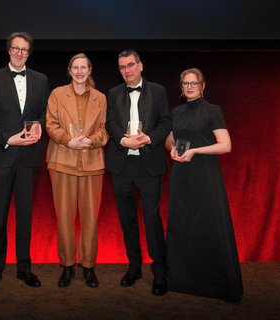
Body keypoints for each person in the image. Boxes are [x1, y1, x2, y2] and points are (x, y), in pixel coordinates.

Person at [165, 68, 243, 302]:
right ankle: (183, 280)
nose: (189, 87)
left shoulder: (212, 110)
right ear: (181, 87)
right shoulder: (177, 111)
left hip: (205, 174)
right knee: (183, 225)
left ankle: (216, 285)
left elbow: (225, 145)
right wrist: (173, 149)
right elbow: (170, 138)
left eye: (193, 83)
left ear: (202, 85)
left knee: (208, 225)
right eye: (185, 84)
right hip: (181, 174)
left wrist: (194, 151)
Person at [0, 32, 49, 290]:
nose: (20, 53)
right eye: (16, 49)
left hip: (29, 157)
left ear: (29, 53)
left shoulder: (41, 79)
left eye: (25, 50)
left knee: (25, 215)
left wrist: (39, 127)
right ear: (8, 50)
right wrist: (9, 139)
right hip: (2, 154)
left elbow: (43, 112)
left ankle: (24, 268)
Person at [105, 50, 171, 295]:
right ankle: (134, 266)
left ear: (140, 65)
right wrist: (123, 141)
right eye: (122, 67)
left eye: (131, 65)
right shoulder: (113, 93)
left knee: (152, 218)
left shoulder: (159, 90)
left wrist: (148, 138)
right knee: (127, 219)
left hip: (148, 164)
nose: (127, 70)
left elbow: (166, 122)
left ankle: (160, 270)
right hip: (121, 164)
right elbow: (110, 123)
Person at [46, 53, 109, 288]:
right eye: (75, 67)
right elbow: (50, 124)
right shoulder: (56, 94)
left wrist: (91, 141)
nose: (80, 71)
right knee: (64, 216)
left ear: (90, 70)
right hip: (62, 160)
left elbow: (105, 129)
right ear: (69, 71)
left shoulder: (101, 98)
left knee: (90, 218)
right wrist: (67, 140)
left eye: (84, 67)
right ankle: (68, 266)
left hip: (92, 162)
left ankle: (89, 266)